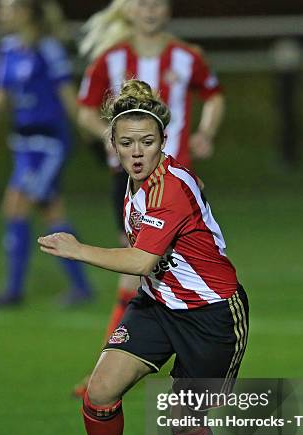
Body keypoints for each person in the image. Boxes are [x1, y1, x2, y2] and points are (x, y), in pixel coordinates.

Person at [38, 80, 248, 435]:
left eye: (147, 142)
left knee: (181, 420)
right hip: (157, 304)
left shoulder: (172, 187)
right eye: (127, 143)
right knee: (100, 391)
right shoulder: (133, 186)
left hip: (212, 316)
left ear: (163, 143)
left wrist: (77, 249)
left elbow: (141, 260)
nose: (137, 152)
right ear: (112, 145)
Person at [72, 0, 225, 393]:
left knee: (147, 268)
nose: (151, 11)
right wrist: (108, 141)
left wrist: (206, 132)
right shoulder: (112, 57)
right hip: (129, 183)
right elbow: (85, 109)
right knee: (140, 271)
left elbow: (214, 95)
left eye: (157, 3)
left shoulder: (188, 57)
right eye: (142, 3)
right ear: (128, 10)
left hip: (177, 183)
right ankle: (123, 362)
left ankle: (117, 365)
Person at [0, 0, 93, 307]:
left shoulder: (49, 49)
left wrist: (88, 131)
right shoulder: (7, 49)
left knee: (22, 205)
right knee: (45, 210)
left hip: (49, 144)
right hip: (23, 144)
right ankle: (78, 287)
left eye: (6, 7)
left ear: (25, 12)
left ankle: (17, 291)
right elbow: (0, 92)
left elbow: (67, 93)